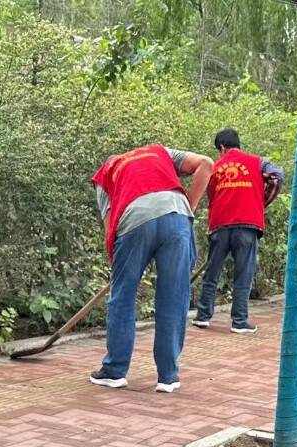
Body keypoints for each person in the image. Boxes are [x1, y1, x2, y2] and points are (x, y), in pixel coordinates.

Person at [90, 144, 214, 393]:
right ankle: (168, 376)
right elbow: (206, 164)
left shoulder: (104, 175)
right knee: (174, 297)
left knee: (123, 297)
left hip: (134, 220)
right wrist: (188, 208)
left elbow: (110, 229)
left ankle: (114, 371)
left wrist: (120, 270)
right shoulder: (160, 152)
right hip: (177, 216)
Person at [194, 128, 284, 334]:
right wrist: (262, 201)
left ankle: (202, 316)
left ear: (222, 147)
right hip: (247, 223)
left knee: (212, 271)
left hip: (220, 223)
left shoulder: (215, 167)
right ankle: (239, 321)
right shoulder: (258, 162)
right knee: (243, 273)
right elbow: (278, 177)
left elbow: (210, 194)